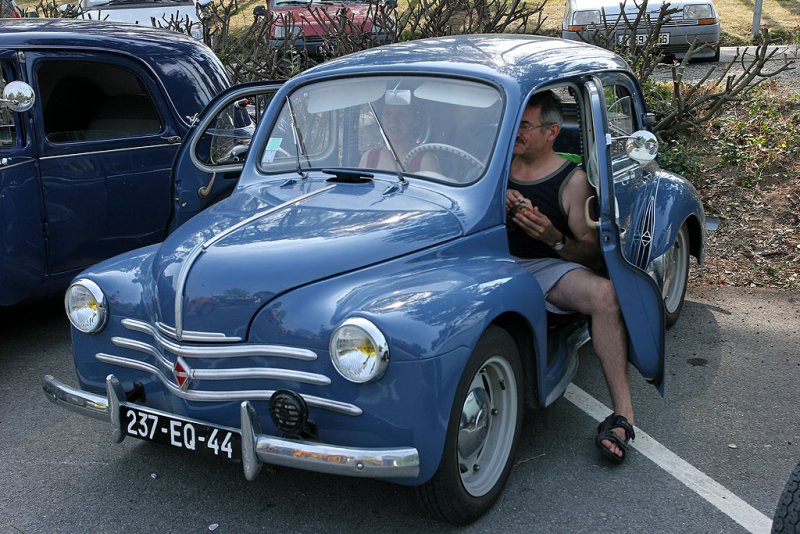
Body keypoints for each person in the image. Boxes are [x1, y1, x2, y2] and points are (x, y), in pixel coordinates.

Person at [507, 89, 636, 463]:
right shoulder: (495, 164)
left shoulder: (572, 180)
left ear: (552, 131)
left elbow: (592, 253)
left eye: (525, 126)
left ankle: (623, 414)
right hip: (485, 263)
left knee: (605, 295)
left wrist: (553, 238)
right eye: (514, 123)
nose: (516, 132)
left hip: (545, 267)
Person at [360, 104, 440, 174]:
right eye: (387, 114)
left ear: (415, 120)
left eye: (401, 114)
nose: (393, 120)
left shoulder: (425, 160)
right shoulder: (369, 157)